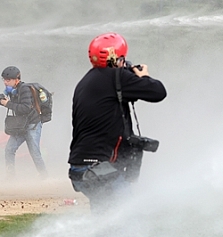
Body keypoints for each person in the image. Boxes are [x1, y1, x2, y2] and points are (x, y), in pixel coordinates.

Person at [68, 32, 166, 212]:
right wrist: (143, 76)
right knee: (127, 217)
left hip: (82, 169)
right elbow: (158, 92)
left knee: (105, 221)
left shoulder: (87, 81)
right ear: (117, 59)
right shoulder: (116, 78)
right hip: (98, 169)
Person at [0, 66, 48, 179]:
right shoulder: (11, 90)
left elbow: (26, 108)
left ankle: (44, 177)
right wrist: (1, 100)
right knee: (9, 150)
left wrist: (7, 104)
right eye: (4, 80)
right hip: (20, 126)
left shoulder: (24, 89)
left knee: (34, 152)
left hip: (32, 125)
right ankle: (10, 177)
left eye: (8, 80)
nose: (5, 82)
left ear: (17, 79)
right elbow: (15, 105)